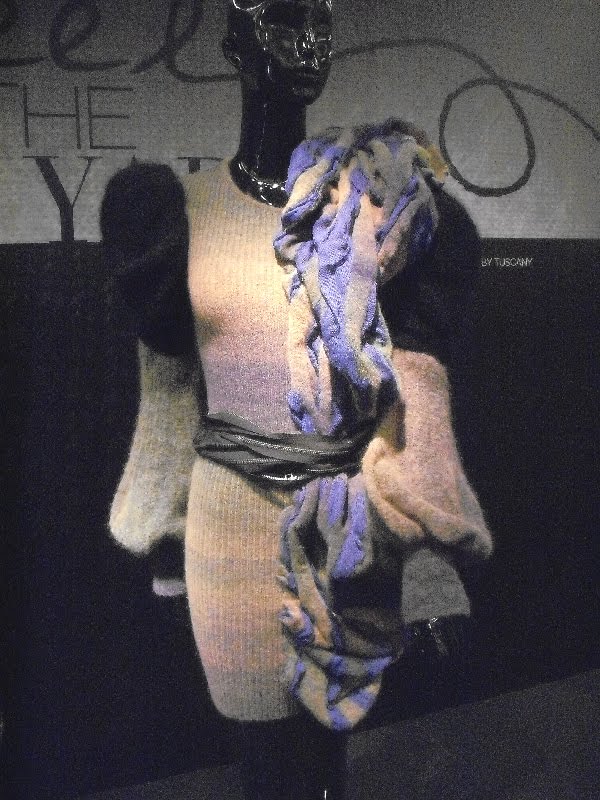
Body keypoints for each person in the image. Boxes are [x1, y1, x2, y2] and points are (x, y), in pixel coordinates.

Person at [101, 2, 492, 798]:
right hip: (228, 525)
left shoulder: (374, 215)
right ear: (233, 43)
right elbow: (169, 397)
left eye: (321, 21)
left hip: (347, 527)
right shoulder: (178, 214)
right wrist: (166, 544)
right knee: (263, 761)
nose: (309, 42)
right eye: (282, 21)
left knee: (331, 746)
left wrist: (427, 554)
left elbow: (412, 392)